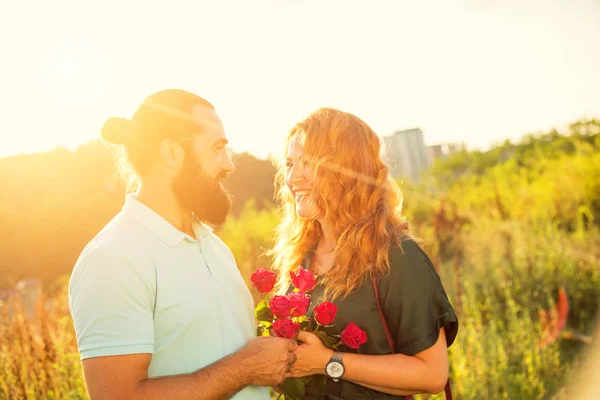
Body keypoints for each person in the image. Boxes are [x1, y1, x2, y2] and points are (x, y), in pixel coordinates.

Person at [68, 89, 296, 400]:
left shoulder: (215, 248)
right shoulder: (113, 258)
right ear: (172, 154)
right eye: (217, 149)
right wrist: (244, 368)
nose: (228, 164)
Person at [270, 108, 459, 399]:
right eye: (289, 164)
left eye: (306, 162)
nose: (292, 178)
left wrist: (328, 363)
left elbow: (432, 374)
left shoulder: (395, 256)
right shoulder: (300, 255)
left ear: (344, 169)